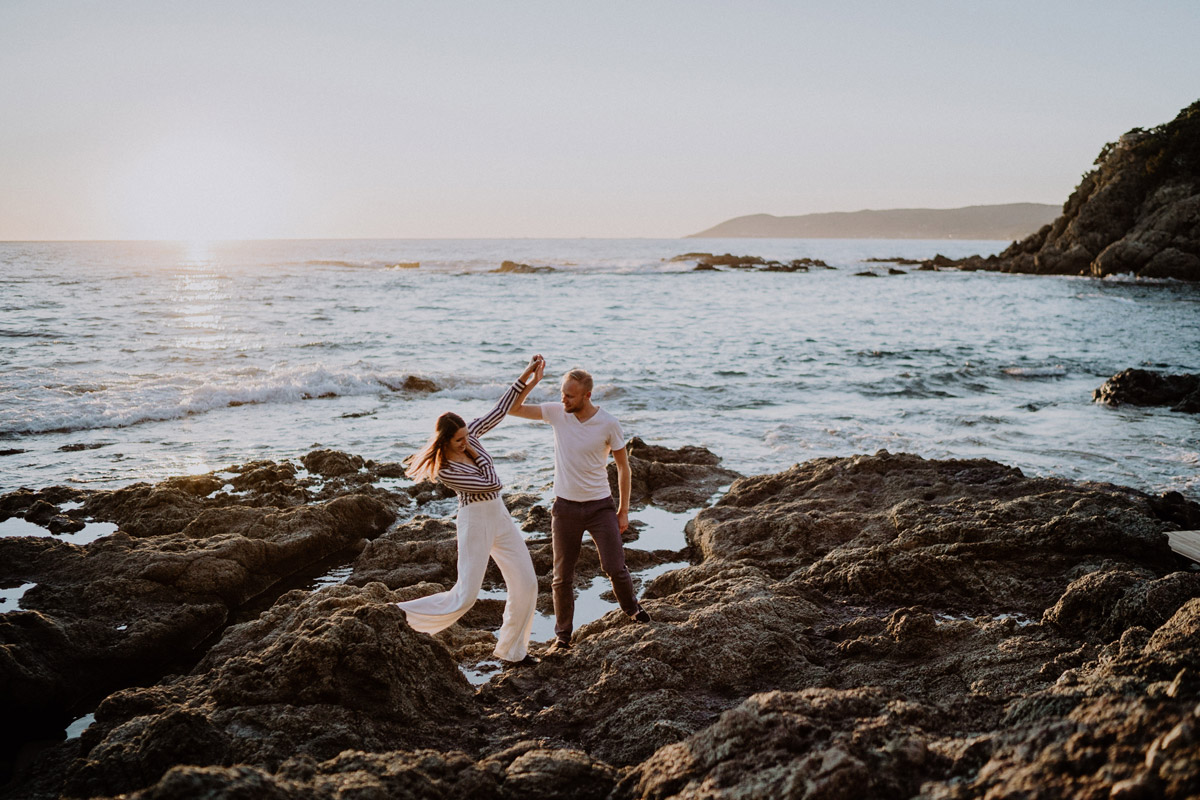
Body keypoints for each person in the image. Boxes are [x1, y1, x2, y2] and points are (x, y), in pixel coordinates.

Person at [396, 356, 544, 666]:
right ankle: (401, 616)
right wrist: (479, 452)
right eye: (460, 440)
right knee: (466, 595)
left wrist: (528, 379)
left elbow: (499, 411)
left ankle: (512, 652)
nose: (466, 442)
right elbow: (491, 482)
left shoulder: (470, 436)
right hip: (475, 521)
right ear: (445, 441)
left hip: (499, 516)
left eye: (467, 436)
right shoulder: (446, 470)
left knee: (527, 583)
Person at [509, 365, 650, 653]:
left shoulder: (609, 423)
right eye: (562, 393)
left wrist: (623, 511)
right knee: (562, 577)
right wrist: (530, 378)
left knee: (614, 567)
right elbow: (512, 408)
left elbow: (624, 468)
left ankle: (632, 610)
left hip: (601, 508)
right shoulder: (557, 413)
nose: (564, 400)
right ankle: (563, 636)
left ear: (587, 395)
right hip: (565, 509)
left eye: (570, 396)